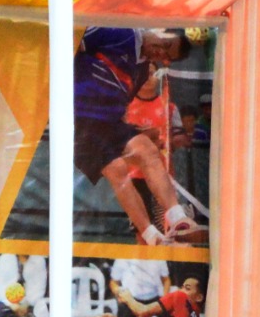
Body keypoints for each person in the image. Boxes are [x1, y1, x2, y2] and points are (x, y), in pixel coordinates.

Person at [75, 28, 204, 244]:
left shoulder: (142, 70)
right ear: (159, 29)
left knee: (147, 150)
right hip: (79, 119)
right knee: (117, 169)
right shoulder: (120, 32)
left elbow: (122, 100)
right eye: (166, 45)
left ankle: (178, 220)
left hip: (110, 123)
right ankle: (150, 234)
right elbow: (72, 42)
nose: (161, 54)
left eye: (166, 57)